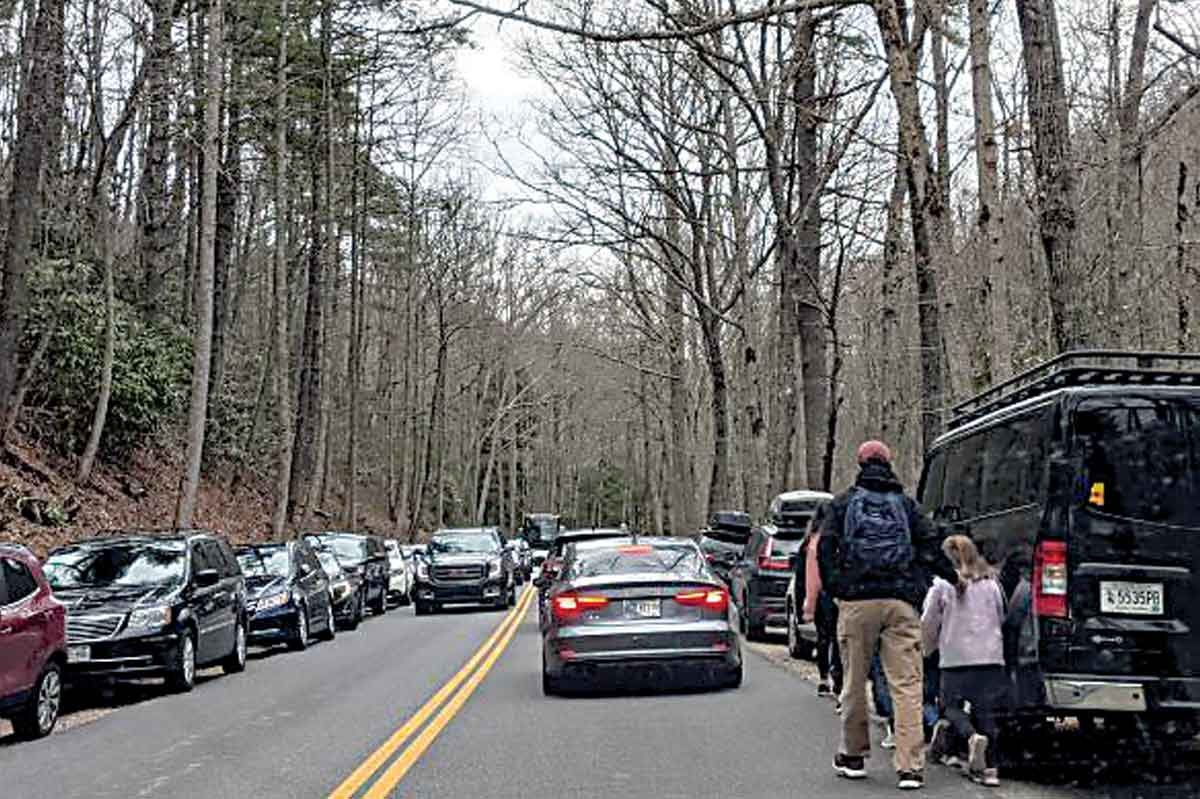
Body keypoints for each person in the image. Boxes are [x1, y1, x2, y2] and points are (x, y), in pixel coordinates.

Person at [819, 440, 958, 791]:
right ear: (889, 462)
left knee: (853, 682)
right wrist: (943, 581)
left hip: (856, 604)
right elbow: (931, 544)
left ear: (860, 463)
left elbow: (825, 549)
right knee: (907, 686)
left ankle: (853, 755)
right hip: (901, 604)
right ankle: (910, 766)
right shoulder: (907, 506)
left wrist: (838, 590)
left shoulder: (844, 503)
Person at [922, 535, 1007, 788]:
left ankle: (970, 738)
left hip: (956, 657)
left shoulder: (942, 586)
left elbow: (929, 621)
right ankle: (990, 768)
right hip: (990, 657)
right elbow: (1001, 614)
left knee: (950, 706)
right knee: (986, 712)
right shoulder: (991, 584)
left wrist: (928, 649)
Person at [801, 506, 841, 700]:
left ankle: (824, 678)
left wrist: (809, 601)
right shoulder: (838, 538)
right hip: (837, 593)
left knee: (823, 637)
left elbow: (807, 576)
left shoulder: (812, 542)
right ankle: (837, 679)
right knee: (838, 638)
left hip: (820, 594)